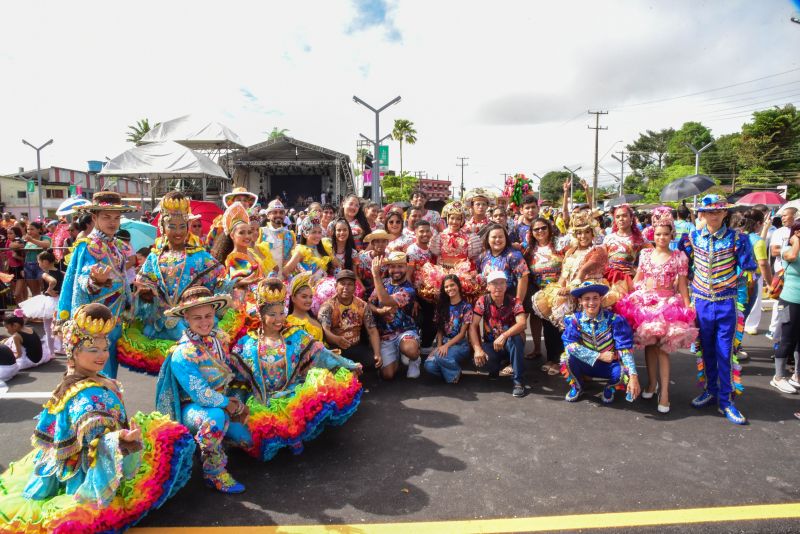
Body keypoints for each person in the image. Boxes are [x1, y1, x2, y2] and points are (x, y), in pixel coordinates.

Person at [0, 303, 194, 531]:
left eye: (104, 348)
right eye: (93, 350)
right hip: (88, 474)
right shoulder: (86, 397)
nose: (102, 355)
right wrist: (121, 440)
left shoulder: (88, 379)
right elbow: (93, 446)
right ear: (73, 352)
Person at [233, 278, 363, 461]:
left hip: (293, 397)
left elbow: (322, 354)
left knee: (297, 445)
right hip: (263, 404)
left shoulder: (295, 336)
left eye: (281, 313)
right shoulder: (246, 345)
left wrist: (348, 364)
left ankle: (294, 433)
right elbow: (237, 378)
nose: (279, 319)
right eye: (273, 314)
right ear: (261, 315)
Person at [121, 192, 235, 375]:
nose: (178, 231)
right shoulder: (155, 257)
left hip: (192, 324)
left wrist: (232, 285)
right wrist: (145, 291)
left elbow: (220, 279)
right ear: (162, 227)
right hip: (160, 324)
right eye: (172, 226)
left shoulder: (199, 256)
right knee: (168, 375)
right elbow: (144, 282)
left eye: (182, 226)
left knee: (192, 371)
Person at [155, 287, 255, 493]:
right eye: (197, 318)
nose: (204, 322)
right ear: (186, 318)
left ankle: (221, 441)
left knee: (251, 440)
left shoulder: (216, 340)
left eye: (208, 316)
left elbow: (233, 371)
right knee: (215, 418)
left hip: (222, 403)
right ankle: (213, 472)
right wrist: (230, 405)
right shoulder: (182, 353)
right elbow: (201, 394)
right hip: (193, 409)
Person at [678, 194, 756, 425]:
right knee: (706, 350)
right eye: (708, 211)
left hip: (726, 303)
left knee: (725, 352)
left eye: (718, 211)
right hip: (701, 303)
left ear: (725, 213)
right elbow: (684, 264)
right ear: (701, 214)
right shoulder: (691, 238)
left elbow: (749, 268)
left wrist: (737, 283)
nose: (713, 215)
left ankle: (726, 400)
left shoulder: (737, 239)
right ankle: (711, 390)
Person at [616, 207, 697, 413]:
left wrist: (687, 306)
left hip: (667, 306)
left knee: (662, 350)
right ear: (653, 234)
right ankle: (652, 384)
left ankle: (665, 394)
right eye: (658, 234)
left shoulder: (679, 256)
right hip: (645, 305)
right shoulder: (645, 254)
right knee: (649, 347)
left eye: (666, 234)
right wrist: (624, 294)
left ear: (672, 235)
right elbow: (638, 280)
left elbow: (682, 286)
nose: (662, 237)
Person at [57, 191, 135, 379]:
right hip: (92, 321)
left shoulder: (116, 245)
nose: (112, 222)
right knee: (94, 372)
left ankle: (107, 405)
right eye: (106, 217)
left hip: (114, 319)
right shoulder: (88, 245)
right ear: (94, 217)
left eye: (116, 217)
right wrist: (95, 280)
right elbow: (80, 278)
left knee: (109, 371)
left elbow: (122, 278)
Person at [533, 211, 616, 330]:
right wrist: (558, 290)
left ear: (593, 233)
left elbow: (582, 272)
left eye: (587, 232)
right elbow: (564, 275)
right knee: (570, 333)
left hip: (590, 296)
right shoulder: (570, 251)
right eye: (579, 233)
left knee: (590, 330)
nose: (583, 236)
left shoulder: (598, 251)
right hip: (570, 295)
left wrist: (569, 289)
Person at [560, 281, 641, 404]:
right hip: (586, 364)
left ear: (601, 299)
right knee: (566, 358)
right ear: (580, 301)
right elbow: (570, 346)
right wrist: (599, 356)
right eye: (587, 299)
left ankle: (609, 388)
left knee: (625, 370)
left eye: (595, 298)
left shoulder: (614, 320)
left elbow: (624, 349)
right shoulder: (574, 320)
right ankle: (578, 386)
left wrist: (634, 376)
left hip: (608, 367)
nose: (591, 303)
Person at [470, 271, 527, 397]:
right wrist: (478, 349)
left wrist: (504, 335)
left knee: (516, 338)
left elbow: (522, 323)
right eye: (494, 283)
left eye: (502, 283)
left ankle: (518, 381)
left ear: (506, 286)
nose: (498, 286)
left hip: (509, 342)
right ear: (488, 287)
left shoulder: (514, 301)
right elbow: (473, 326)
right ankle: (497, 366)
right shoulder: (482, 301)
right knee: (479, 362)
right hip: (491, 344)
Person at [369, 252, 421, 379]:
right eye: (392, 266)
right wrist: (379, 311)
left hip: (405, 331)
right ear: (388, 268)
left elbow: (386, 301)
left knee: (410, 349)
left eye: (400, 266)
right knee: (387, 375)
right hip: (386, 334)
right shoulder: (383, 283)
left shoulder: (409, 289)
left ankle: (414, 359)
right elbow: (369, 304)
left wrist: (375, 275)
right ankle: (397, 355)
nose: (396, 270)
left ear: (406, 267)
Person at [319, 269, 383, 370]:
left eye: (350, 284)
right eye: (342, 284)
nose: (346, 287)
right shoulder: (328, 307)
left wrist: (377, 353)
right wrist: (337, 339)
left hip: (356, 347)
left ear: (355, 287)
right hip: (336, 349)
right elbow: (325, 330)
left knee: (373, 361)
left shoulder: (362, 305)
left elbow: (372, 330)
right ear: (336, 286)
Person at [524, 217, 564, 374]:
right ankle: (551, 358)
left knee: (560, 326)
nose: (540, 231)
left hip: (560, 292)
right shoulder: (530, 250)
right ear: (532, 233)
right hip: (541, 294)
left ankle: (560, 360)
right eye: (536, 229)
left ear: (549, 228)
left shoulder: (560, 245)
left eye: (543, 228)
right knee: (547, 327)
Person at [422, 200, 483, 302]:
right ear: (447, 219)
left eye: (458, 219)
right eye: (452, 218)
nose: (454, 222)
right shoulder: (439, 236)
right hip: (442, 273)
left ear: (462, 220)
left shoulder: (469, 237)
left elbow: (472, 259)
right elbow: (435, 256)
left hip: (462, 275)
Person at [425, 275, 473, 383]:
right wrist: (439, 346)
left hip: (460, 345)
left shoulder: (466, 307)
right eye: (446, 287)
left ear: (458, 286)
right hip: (444, 343)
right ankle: (453, 372)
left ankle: (452, 374)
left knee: (440, 357)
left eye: (452, 285)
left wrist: (446, 346)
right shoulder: (442, 306)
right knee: (428, 365)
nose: (449, 289)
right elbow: (440, 330)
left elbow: (462, 334)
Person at [771, 220, 800, 396]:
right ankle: (778, 376)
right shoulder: (788, 250)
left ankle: (797, 374)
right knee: (787, 338)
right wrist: (795, 242)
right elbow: (791, 257)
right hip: (788, 301)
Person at [18, 250, 62, 357]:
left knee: (48, 328)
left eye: (39, 262)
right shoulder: (60, 272)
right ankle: (61, 347)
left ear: (45, 262)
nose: (39, 265)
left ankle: (51, 352)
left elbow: (53, 281)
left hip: (49, 302)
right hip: (60, 300)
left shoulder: (45, 274)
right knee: (59, 326)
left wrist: (49, 290)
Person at [603, 204, 649, 293]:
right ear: (615, 220)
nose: (621, 219)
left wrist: (636, 272)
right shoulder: (608, 238)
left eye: (624, 215)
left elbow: (652, 258)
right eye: (617, 217)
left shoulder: (641, 239)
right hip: (608, 279)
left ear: (631, 218)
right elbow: (603, 260)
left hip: (628, 280)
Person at [767, 207, 797, 340]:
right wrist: (788, 249)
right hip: (780, 273)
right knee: (779, 304)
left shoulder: (795, 232)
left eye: (786, 215)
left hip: (794, 279)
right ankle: (775, 332)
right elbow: (774, 251)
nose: (783, 218)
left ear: (795, 216)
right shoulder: (779, 232)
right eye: (782, 216)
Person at [741, 209, 772, 337]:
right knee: (742, 316)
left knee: (734, 316)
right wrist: (770, 284)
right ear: (759, 223)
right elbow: (763, 264)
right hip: (749, 283)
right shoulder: (757, 241)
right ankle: (735, 348)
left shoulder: (737, 236)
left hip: (732, 279)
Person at [256, 198, 296, 277]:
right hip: (265, 279)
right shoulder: (260, 232)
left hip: (285, 278)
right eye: (275, 212)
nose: (278, 215)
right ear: (268, 215)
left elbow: (292, 257)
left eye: (281, 212)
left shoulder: (290, 235)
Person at [286, 272, 324, 341]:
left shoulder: (313, 317)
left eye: (310, 297)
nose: (309, 300)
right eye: (304, 297)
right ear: (293, 298)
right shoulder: (289, 323)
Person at [356, 229, 391, 299]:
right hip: (366, 290)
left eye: (383, 241)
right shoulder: (363, 258)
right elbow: (358, 276)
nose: (380, 244)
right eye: (377, 241)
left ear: (387, 243)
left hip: (384, 291)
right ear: (372, 243)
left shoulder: (390, 258)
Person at [22, 221, 52, 297]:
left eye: (32, 229)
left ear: (39, 230)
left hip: (41, 265)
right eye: (28, 229)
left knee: (45, 289)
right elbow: (14, 245)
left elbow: (46, 244)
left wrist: (31, 240)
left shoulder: (44, 237)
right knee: (34, 292)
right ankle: (37, 307)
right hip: (28, 265)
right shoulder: (26, 240)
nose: (29, 231)